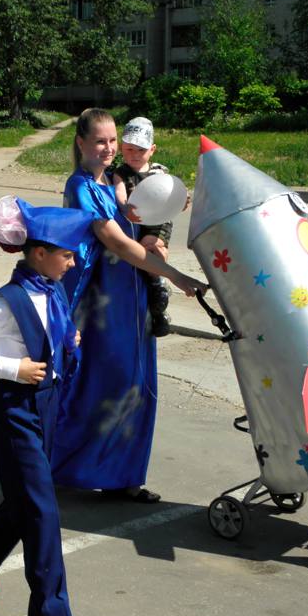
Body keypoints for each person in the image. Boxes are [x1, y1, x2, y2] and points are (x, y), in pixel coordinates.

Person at [0, 196, 95, 616]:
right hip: (15, 408)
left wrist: (65, 337)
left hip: (47, 404)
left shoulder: (53, 290)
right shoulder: (9, 300)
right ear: (38, 253)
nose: (73, 262)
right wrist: (14, 369)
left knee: (25, 500)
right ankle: (49, 614)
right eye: (67, 254)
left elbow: (53, 332)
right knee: (43, 509)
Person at [52, 108, 206, 501]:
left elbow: (142, 218)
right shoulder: (82, 187)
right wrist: (175, 275)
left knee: (136, 386)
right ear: (81, 143)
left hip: (131, 301)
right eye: (100, 141)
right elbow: (118, 242)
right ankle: (65, 468)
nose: (108, 148)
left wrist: (170, 202)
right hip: (102, 307)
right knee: (102, 388)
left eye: (112, 141)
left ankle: (125, 477)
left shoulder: (111, 186)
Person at [112, 117, 179, 337]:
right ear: (122, 148)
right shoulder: (121, 173)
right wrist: (125, 208)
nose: (134, 154)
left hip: (158, 223)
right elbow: (120, 195)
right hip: (137, 221)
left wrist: (182, 200)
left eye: (140, 149)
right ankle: (157, 287)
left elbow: (174, 193)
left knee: (155, 249)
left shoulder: (160, 171)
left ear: (152, 150)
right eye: (129, 148)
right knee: (145, 254)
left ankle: (158, 292)